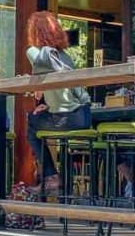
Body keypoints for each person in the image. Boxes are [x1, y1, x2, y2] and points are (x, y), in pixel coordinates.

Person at [24, 11, 91, 194]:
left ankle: (51, 176)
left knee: (31, 125)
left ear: (35, 32)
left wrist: (36, 85)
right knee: (40, 116)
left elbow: (43, 68)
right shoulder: (66, 57)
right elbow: (65, 89)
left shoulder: (34, 51)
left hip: (65, 119)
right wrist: (49, 103)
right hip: (83, 116)